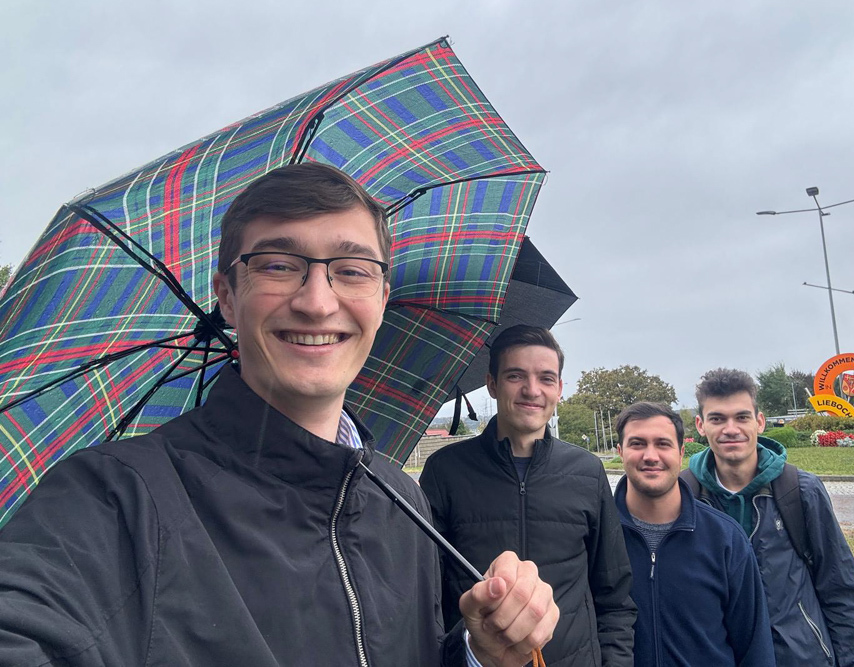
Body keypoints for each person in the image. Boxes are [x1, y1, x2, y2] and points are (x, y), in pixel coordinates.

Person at [0, 163, 559, 667]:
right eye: (277, 265)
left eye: (353, 269)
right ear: (226, 295)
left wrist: (478, 654)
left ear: (382, 296)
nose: (317, 302)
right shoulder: (111, 500)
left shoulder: (401, 500)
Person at [420, 325, 636, 666]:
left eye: (546, 378)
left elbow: (615, 598)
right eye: (515, 376)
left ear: (559, 389)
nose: (532, 390)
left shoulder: (588, 472)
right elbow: (427, 597)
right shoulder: (444, 471)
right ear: (492, 384)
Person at [686, 368, 854, 667]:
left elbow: (842, 589)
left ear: (759, 422)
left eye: (742, 417)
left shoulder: (800, 490)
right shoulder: (685, 496)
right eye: (717, 419)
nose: (731, 429)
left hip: (798, 657)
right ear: (701, 425)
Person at [613, 401, 775, 667]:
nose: (650, 456)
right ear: (620, 451)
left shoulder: (725, 539)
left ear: (681, 453)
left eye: (663, 444)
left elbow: (754, 647)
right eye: (637, 444)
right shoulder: (599, 536)